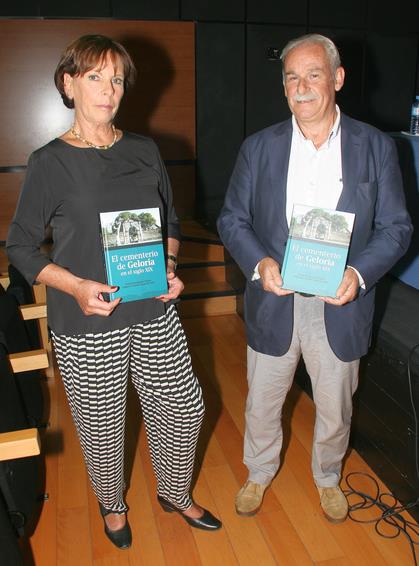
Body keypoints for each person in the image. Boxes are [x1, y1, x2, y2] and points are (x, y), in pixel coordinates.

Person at [7, 34, 221, 549]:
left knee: (183, 406)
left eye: (117, 79)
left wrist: (169, 265)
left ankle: (173, 491)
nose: (109, 89)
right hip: (86, 320)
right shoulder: (49, 162)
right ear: (69, 83)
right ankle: (112, 503)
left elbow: (169, 221)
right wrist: (75, 285)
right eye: (95, 77)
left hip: (152, 307)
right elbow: (21, 247)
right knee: (102, 426)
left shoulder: (145, 150)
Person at [217, 34, 412, 523]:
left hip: (340, 304)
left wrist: (359, 273)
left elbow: (396, 227)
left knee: (335, 406)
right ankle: (258, 472)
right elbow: (232, 220)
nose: (301, 87)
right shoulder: (258, 148)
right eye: (291, 77)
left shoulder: (376, 147)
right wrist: (260, 264)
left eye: (313, 75)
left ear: (338, 79)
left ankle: (327, 476)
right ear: (283, 87)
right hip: (274, 298)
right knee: (263, 399)